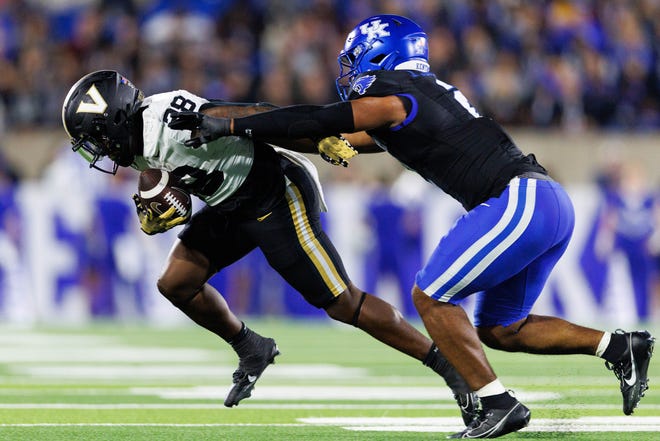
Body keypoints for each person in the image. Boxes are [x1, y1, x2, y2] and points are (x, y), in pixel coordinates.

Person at [166, 14, 656, 439]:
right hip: (544, 204)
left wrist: (232, 125)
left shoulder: (395, 92)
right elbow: (338, 136)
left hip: (518, 200)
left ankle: (498, 403)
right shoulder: (413, 98)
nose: (349, 70)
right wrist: (313, 141)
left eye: (354, 58)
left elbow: (321, 117)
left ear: (379, 55)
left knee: (431, 295)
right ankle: (618, 346)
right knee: (502, 329)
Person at [60, 70, 479, 423]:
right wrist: (153, 201)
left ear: (114, 121)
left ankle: (447, 364)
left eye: (95, 138)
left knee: (341, 302)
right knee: (176, 283)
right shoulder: (135, 138)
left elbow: (259, 116)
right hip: (231, 205)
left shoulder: (170, 119)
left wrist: (318, 140)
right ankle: (251, 347)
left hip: (275, 195)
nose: (97, 150)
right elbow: (154, 166)